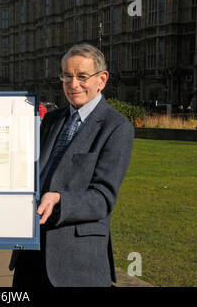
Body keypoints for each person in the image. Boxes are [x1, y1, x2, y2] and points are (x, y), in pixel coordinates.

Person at [10, 43, 134, 287]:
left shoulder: (116, 127)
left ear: (102, 79)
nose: (73, 84)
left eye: (82, 76)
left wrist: (60, 199)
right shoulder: (52, 120)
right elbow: (32, 171)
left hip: (76, 262)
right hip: (30, 254)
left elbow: (102, 198)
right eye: (67, 76)